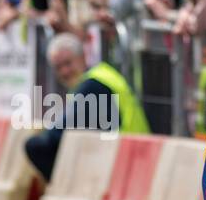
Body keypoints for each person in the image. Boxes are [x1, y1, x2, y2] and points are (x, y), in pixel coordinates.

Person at [24, 33, 148, 181]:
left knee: (35, 146)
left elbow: (55, 136)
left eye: (68, 63)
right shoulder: (101, 76)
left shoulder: (92, 86)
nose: (64, 71)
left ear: (83, 57)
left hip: (127, 158)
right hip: (132, 154)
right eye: (58, 67)